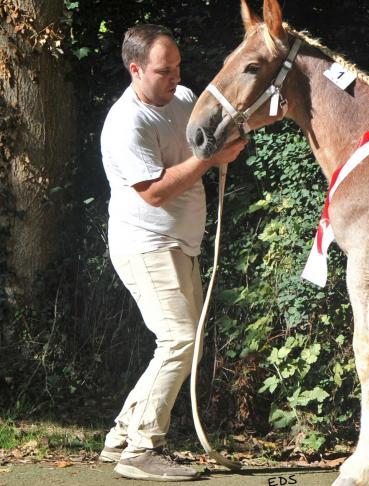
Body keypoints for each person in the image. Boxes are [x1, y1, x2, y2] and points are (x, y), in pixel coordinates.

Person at [97, 24, 246, 481]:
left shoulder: (181, 98)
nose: (175, 76)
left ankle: (122, 435)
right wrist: (210, 160)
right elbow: (156, 192)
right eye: (164, 71)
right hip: (145, 244)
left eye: (178, 66)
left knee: (183, 343)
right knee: (179, 340)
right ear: (136, 69)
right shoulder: (127, 123)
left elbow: (217, 125)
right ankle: (142, 449)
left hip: (182, 243)